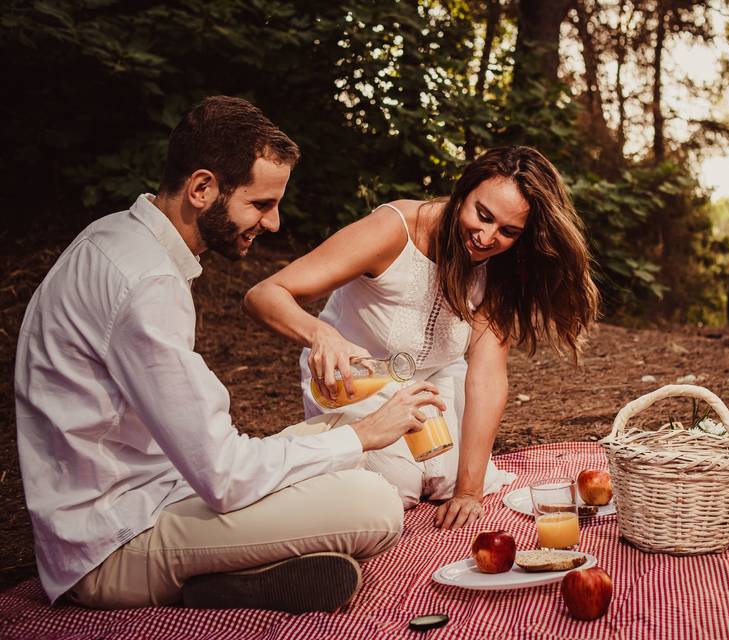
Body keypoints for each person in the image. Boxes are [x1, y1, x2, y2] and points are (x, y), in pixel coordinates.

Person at [14, 95, 444, 613]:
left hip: (162, 488)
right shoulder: (145, 283)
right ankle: (214, 575)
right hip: (112, 542)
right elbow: (223, 474)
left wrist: (354, 431)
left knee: (350, 441)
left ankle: (227, 579)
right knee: (374, 503)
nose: (274, 224)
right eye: (261, 204)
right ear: (201, 188)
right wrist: (361, 435)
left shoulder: (120, 238)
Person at [243, 146, 600, 530]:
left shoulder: (501, 268)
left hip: (435, 382)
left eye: (508, 231)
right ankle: (277, 465)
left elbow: (486, 374)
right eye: (482, 215)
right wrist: (321, 334)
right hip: (359, 382)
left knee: (451, 482)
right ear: (464, 190)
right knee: (396, 489)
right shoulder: (394, 229)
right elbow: (264, 295)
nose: (486, 236)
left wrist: (468, 491)